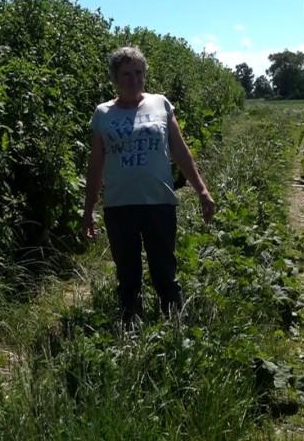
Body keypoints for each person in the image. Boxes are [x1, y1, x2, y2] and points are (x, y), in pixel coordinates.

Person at [82, 46, 216, 325]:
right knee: (128, 275)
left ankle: (175, 327)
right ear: (115, 79)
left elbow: (180, 152)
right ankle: (130, 329)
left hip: (159, 202)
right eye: (126, 74)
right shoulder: (103, 114)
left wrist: (201, 189)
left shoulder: (161, 105)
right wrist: (88, 210)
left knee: (165, 270)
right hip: (119, 206)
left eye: (139, 73)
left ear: (145, 74)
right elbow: (96, 165)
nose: (134, 79)